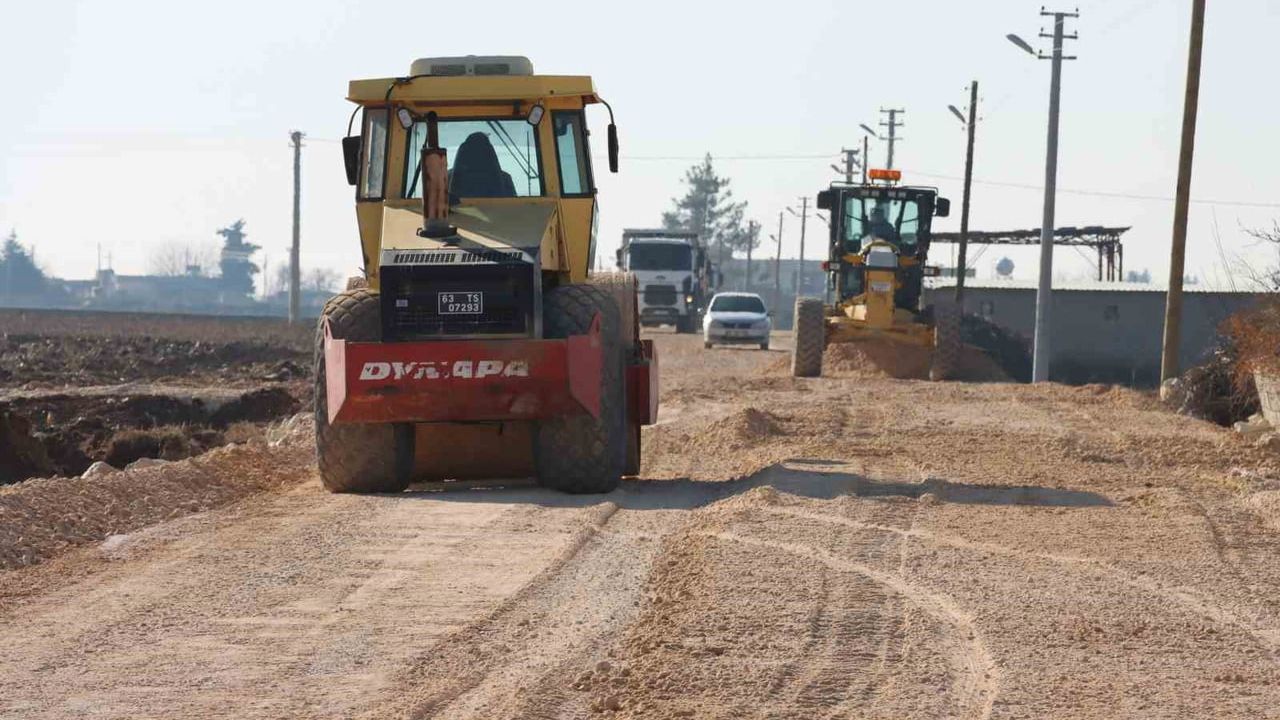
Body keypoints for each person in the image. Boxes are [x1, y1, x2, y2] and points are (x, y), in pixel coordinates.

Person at [449, 132, 516, 198]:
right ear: (490, 153)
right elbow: (513, 206)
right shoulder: (505, 179)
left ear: (463, 152)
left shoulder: (447, 178)